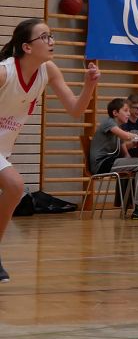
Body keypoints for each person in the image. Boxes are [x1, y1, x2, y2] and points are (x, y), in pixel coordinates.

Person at [0, 18, 100, 282]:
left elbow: (75, 110)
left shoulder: (48, 70)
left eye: (51, 35)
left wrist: (89, 85)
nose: (51, 41)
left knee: (14, 189)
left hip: (2, 150)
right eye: (44, 37)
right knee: (15, 185)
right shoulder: (4, 73)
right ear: (27, 47)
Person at [88, 98, 138, 217]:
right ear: (115, 113)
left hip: (109, 162)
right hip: (101, 164)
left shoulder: (118, 126)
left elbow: (123, 147)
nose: (129, 113)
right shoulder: (109, 123)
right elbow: (126, 136)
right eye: (125, 110)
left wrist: (130, 159)